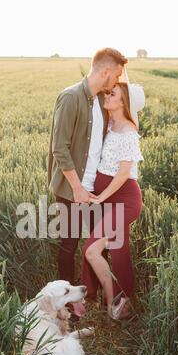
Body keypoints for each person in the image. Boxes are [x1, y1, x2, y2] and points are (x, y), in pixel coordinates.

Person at [48, 48, 128, 318]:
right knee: (68, 246)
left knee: (97, 245)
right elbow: (60, 148)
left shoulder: (99, 102)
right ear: (105, 72)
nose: (116, 81)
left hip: (94, 191)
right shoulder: (71, 97)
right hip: (72, 190)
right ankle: (68, 304)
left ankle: (93, 296)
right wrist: (77, 188)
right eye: (116, 75)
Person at [80, 76, 145, 320]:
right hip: (110, 199)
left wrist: (100, 197)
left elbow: (123, 174)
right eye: (108, 93)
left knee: (91, 250)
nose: (107, 96)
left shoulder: (128, 131)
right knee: (119, 250)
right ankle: (121, 304)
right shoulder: (109, 124)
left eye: (113, 94)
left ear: (124, 102)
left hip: (125, 199)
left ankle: (112, 304)